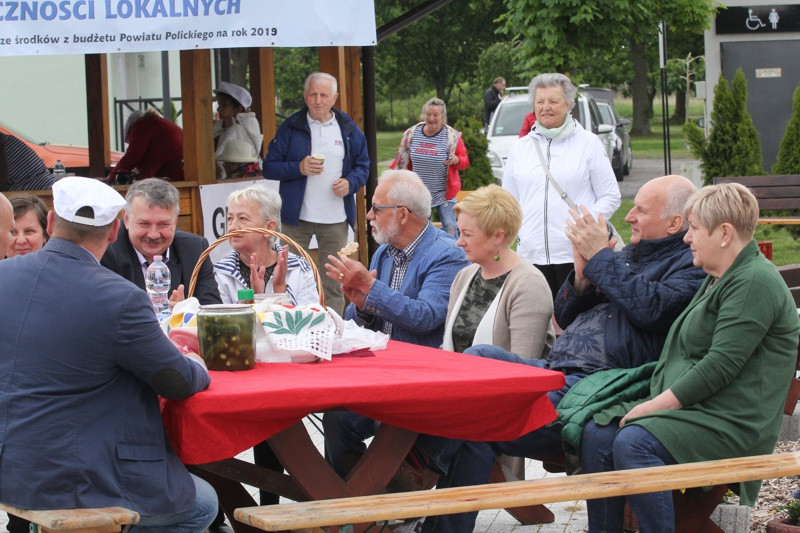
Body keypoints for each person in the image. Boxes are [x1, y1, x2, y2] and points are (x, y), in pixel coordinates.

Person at [418, 174, 706, 533]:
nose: (628, 216)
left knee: (480, 417)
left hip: (597, 386)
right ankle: (433, 503)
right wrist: (583, 275)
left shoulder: (691, 266)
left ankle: (417, 458)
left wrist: (603, 256)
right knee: (478, 361)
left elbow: (653, 309)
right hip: (558, 370)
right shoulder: (631, 254)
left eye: (640, 210)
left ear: (674, 223)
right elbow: (567, 314)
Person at [0, 176, 216, 532]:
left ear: (51, 223)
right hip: (78, 477)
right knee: (202, 504)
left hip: (12, 467)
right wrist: (196, 362)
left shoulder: (4, 275)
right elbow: (176, 381)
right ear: (116, 230)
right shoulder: (120, 297)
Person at [581, 182, 800, 533]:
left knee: (634, 443)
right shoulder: (721, 275)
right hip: (701, 410)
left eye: (695, 228)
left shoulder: (754, 282)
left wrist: (653, 406)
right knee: (598, 433)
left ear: (725, 233)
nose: (686, 238)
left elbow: (720, 365)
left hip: (732, 422)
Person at [321, 169, 469, 477]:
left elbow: (425, 317)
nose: (370, 215)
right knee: (337, 419)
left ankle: (380, 498)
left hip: (422, 380)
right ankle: (352, 501)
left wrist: (372, 291)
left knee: (387, 429)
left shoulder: (446, 254)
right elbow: (362, 322)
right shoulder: (384, 253)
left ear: (402, 214)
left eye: (376, 208)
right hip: (383, 375)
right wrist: (361, 307)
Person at [503, 73, 621, 299]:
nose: (545, 107)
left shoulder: (588, 143)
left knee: (575, 323)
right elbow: (509, 201)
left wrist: (583, 225)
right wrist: (519, 235)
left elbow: (610, 196)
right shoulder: (520, 148)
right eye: (540, 101)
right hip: (531, 255)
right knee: (537, 323)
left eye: (553, 101)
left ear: (568, 104)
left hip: (576, 253)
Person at [263, 72, 370, 314]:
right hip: (295, 218)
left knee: (333, 282)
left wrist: (350, 183)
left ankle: (332, 328)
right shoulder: (291, 126)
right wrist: (298, 167)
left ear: (335, 97)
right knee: (289, 275)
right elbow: (269, 166)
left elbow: (363, 166)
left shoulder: (349, 128)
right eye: (313, 94)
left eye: (324, 95)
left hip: (335, 218)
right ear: (305, 96)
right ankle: (291, 324)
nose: (318, 100)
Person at [101, 178, 221, 306]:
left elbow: (213, 311)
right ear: (126, 219)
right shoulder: (106, 250)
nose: (153, 235)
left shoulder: (195, 249)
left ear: (175, 221)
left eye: (163, 224)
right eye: (144, 224)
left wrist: (187, 312)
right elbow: (104, 313)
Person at [214, 183, 319, 306]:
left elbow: (311, 318)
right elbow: (220, 321)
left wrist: (280, 291)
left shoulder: (298, 268)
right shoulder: (221, 271)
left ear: (269, 228)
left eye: (242, 218)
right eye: (229, 218)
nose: (232, 227)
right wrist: (249, 304)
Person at [390, 98, 469, 238]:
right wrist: (388, 180)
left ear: (443, 117)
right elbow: (399, 161)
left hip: (444, 194)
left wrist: (456, 160)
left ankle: (454, 257)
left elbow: (464, 162)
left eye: (435, 115)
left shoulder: (452, 136)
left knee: (450, 227)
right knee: (419, 232)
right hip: (419, 193)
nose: (431, 118)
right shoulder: (412, 134)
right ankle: (425, 257)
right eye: (428, 114)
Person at [108, 109, 184, 183]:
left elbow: (132, 157)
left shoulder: (141, 126)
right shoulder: (155, 123)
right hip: (177, 172)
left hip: (170, 174)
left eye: (131, 141)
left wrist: (111, 176)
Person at [214, 81, 264, 180]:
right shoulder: (239, 122)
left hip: (235, 180)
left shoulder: (239, 128)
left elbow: (218, 157)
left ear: (239, 108)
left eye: (224, 105)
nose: (219, 109)